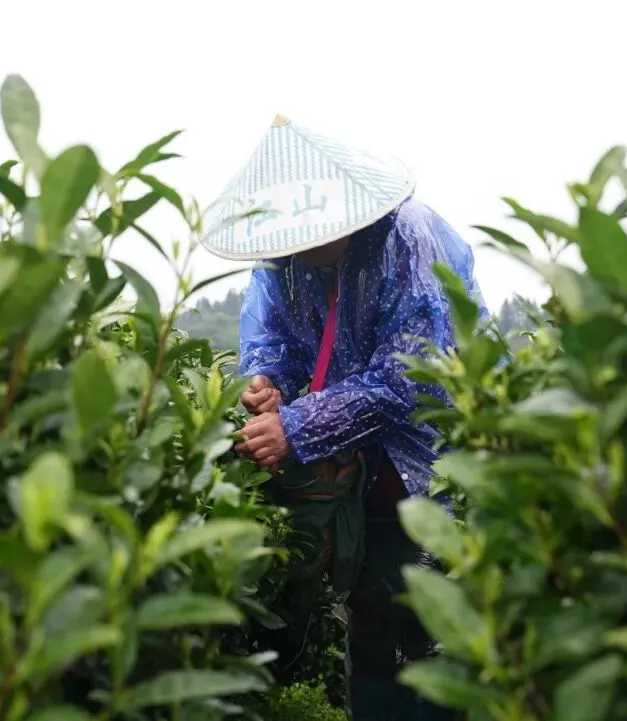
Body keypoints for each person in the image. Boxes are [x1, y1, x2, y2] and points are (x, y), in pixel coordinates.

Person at [200, 115, 487, 721]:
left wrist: (298, 428)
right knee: (376, 628)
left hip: (432, 467)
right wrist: (267, 386)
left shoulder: (409, 240)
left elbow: (412, 373)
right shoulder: (285, 260)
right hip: (361, 477)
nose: (301, 251)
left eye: (312, 236)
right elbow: (270, 336)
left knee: (434, 628)